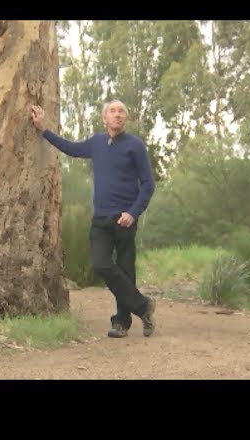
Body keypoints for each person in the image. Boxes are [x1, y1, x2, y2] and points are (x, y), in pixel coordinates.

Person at [30, 100, 156, 338]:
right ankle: (144, 306)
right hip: (101, 219)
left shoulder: (135, 146)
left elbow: (148, 185)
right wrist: (43, 129)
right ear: (104, 118)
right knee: (101, 264)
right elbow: (70, 148)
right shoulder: (96, 143)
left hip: (124, 219)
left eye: (121, 112)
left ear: (125, 119)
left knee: (126, 271)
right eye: (112, 111)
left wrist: (133, 213)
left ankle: (121, 322)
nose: (117, 115)